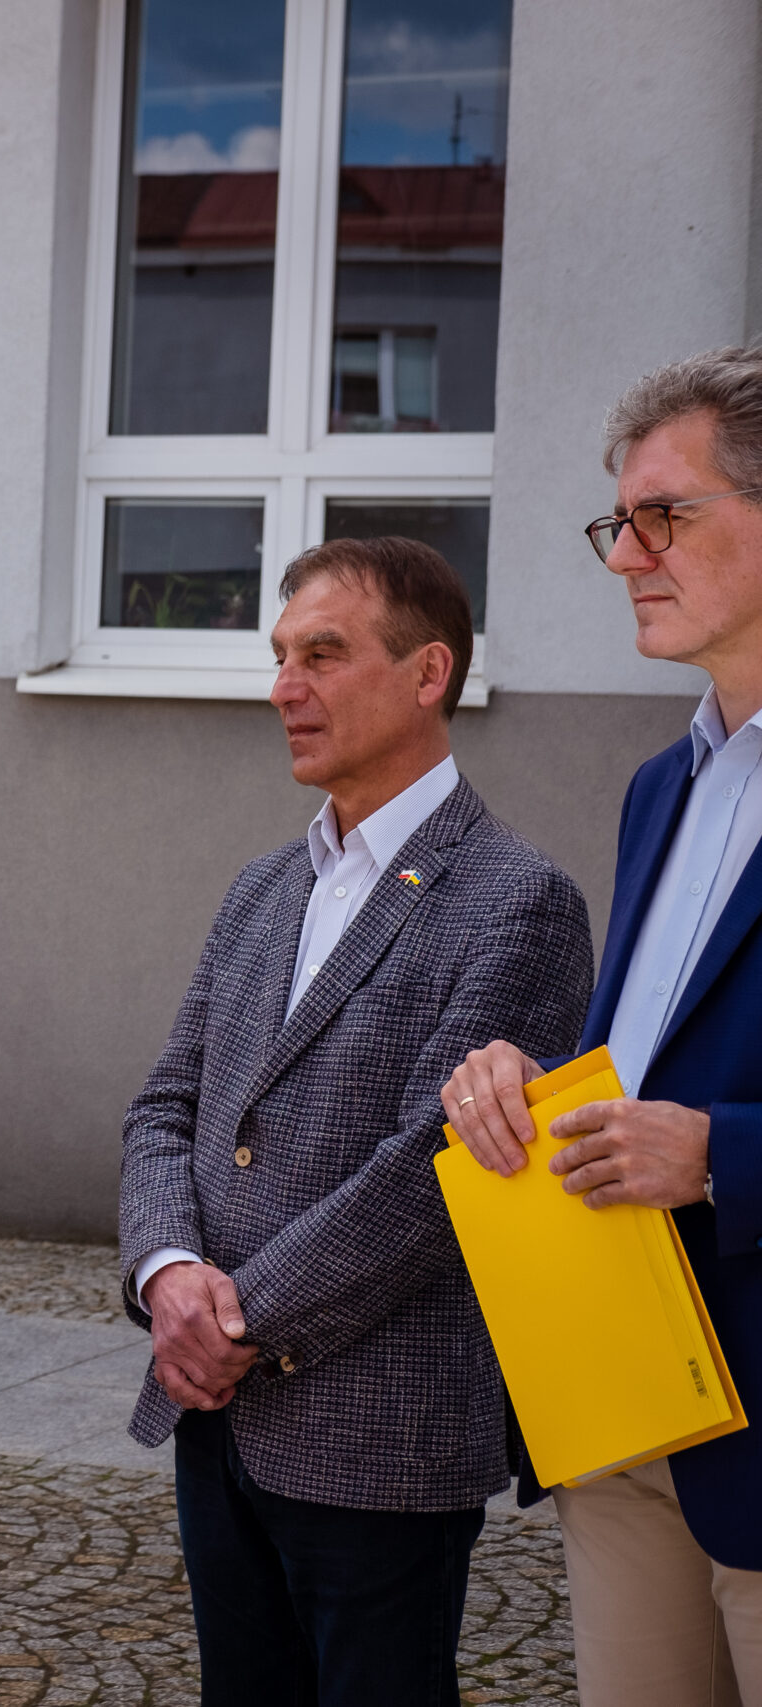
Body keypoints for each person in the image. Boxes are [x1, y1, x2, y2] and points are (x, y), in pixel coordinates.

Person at [120, 536, 593, 1705]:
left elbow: (433, 1173)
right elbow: (167, 1105)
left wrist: (232, 1319)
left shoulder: (518, 900)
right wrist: (167, 1276)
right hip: (215, 1417)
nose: (285, 688)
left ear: (429, 672)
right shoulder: (262, 888)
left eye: (322, 655)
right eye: (280, 657)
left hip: (380, 1434)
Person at [445, 347, 762, 1704]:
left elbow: (702, 1123)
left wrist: (721, 1156)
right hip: (624, 1400)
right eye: (617, 524)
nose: (627, 555)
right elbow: (654, 1060)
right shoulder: (660, 788)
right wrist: (533, 1082)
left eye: (666, 515)